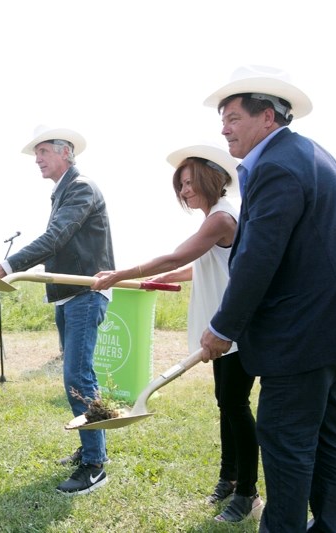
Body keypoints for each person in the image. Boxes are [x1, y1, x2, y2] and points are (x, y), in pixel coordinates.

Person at [199, 65, 336, 532]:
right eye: (221, 119)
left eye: (233, 117)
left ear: (267, 117)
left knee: (286, 439)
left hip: (306, 332)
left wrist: (223, 326)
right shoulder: (308, 153)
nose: (223, 127)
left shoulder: (275, 165)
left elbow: (259, 258)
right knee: (328, 435)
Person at [92, 145, 261, 522]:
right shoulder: (218, 218)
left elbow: (177, 256)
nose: (184, 190)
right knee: (227, 404)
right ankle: (229, 478)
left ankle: (248, 493)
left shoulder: (221, 217)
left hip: (235, 329)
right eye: (180, 185)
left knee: (235, 406)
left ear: (212, 178)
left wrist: (119, 274)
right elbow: (201, 263)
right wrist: (163, 279)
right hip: (223, 328)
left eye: (189, 182)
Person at [0, 125, 115, 495]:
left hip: (85, 293)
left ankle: (95, 465)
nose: (38, 159)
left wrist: (7, 266)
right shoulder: (62, 193)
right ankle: (90, 448)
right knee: (76, 374)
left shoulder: (81, 188)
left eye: (44, 151)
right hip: (67, 295)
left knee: (77, 377)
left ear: (67, 153)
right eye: (37, 153)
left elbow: (55, 238)